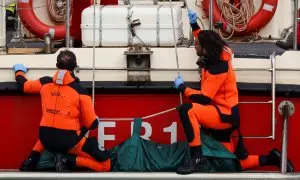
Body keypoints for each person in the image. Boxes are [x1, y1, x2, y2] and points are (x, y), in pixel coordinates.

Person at [174, 10, 294, 175]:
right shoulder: (220, 52)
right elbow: (204, 38)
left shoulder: (218, 69)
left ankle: (196, 158)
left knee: (187, 110)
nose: (194, 45)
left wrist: (182, 88)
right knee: (230, 163)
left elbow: (203, 98)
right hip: (226, 114)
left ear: (206, 50)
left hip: (223, 116)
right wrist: (194, 25)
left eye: (196, 45)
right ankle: (270, 159)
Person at [14, 50, 111, 172]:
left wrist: (19, 71)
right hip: (68, 142)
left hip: (46, 139)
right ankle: (68, 161)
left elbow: (24, 86)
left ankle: (31, 159)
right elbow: (91, 124)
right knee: (105, 165)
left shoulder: (45, 82)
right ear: (75, 66)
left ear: (56, 66)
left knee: (49, 131)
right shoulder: (81, 91)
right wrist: (96, 120)